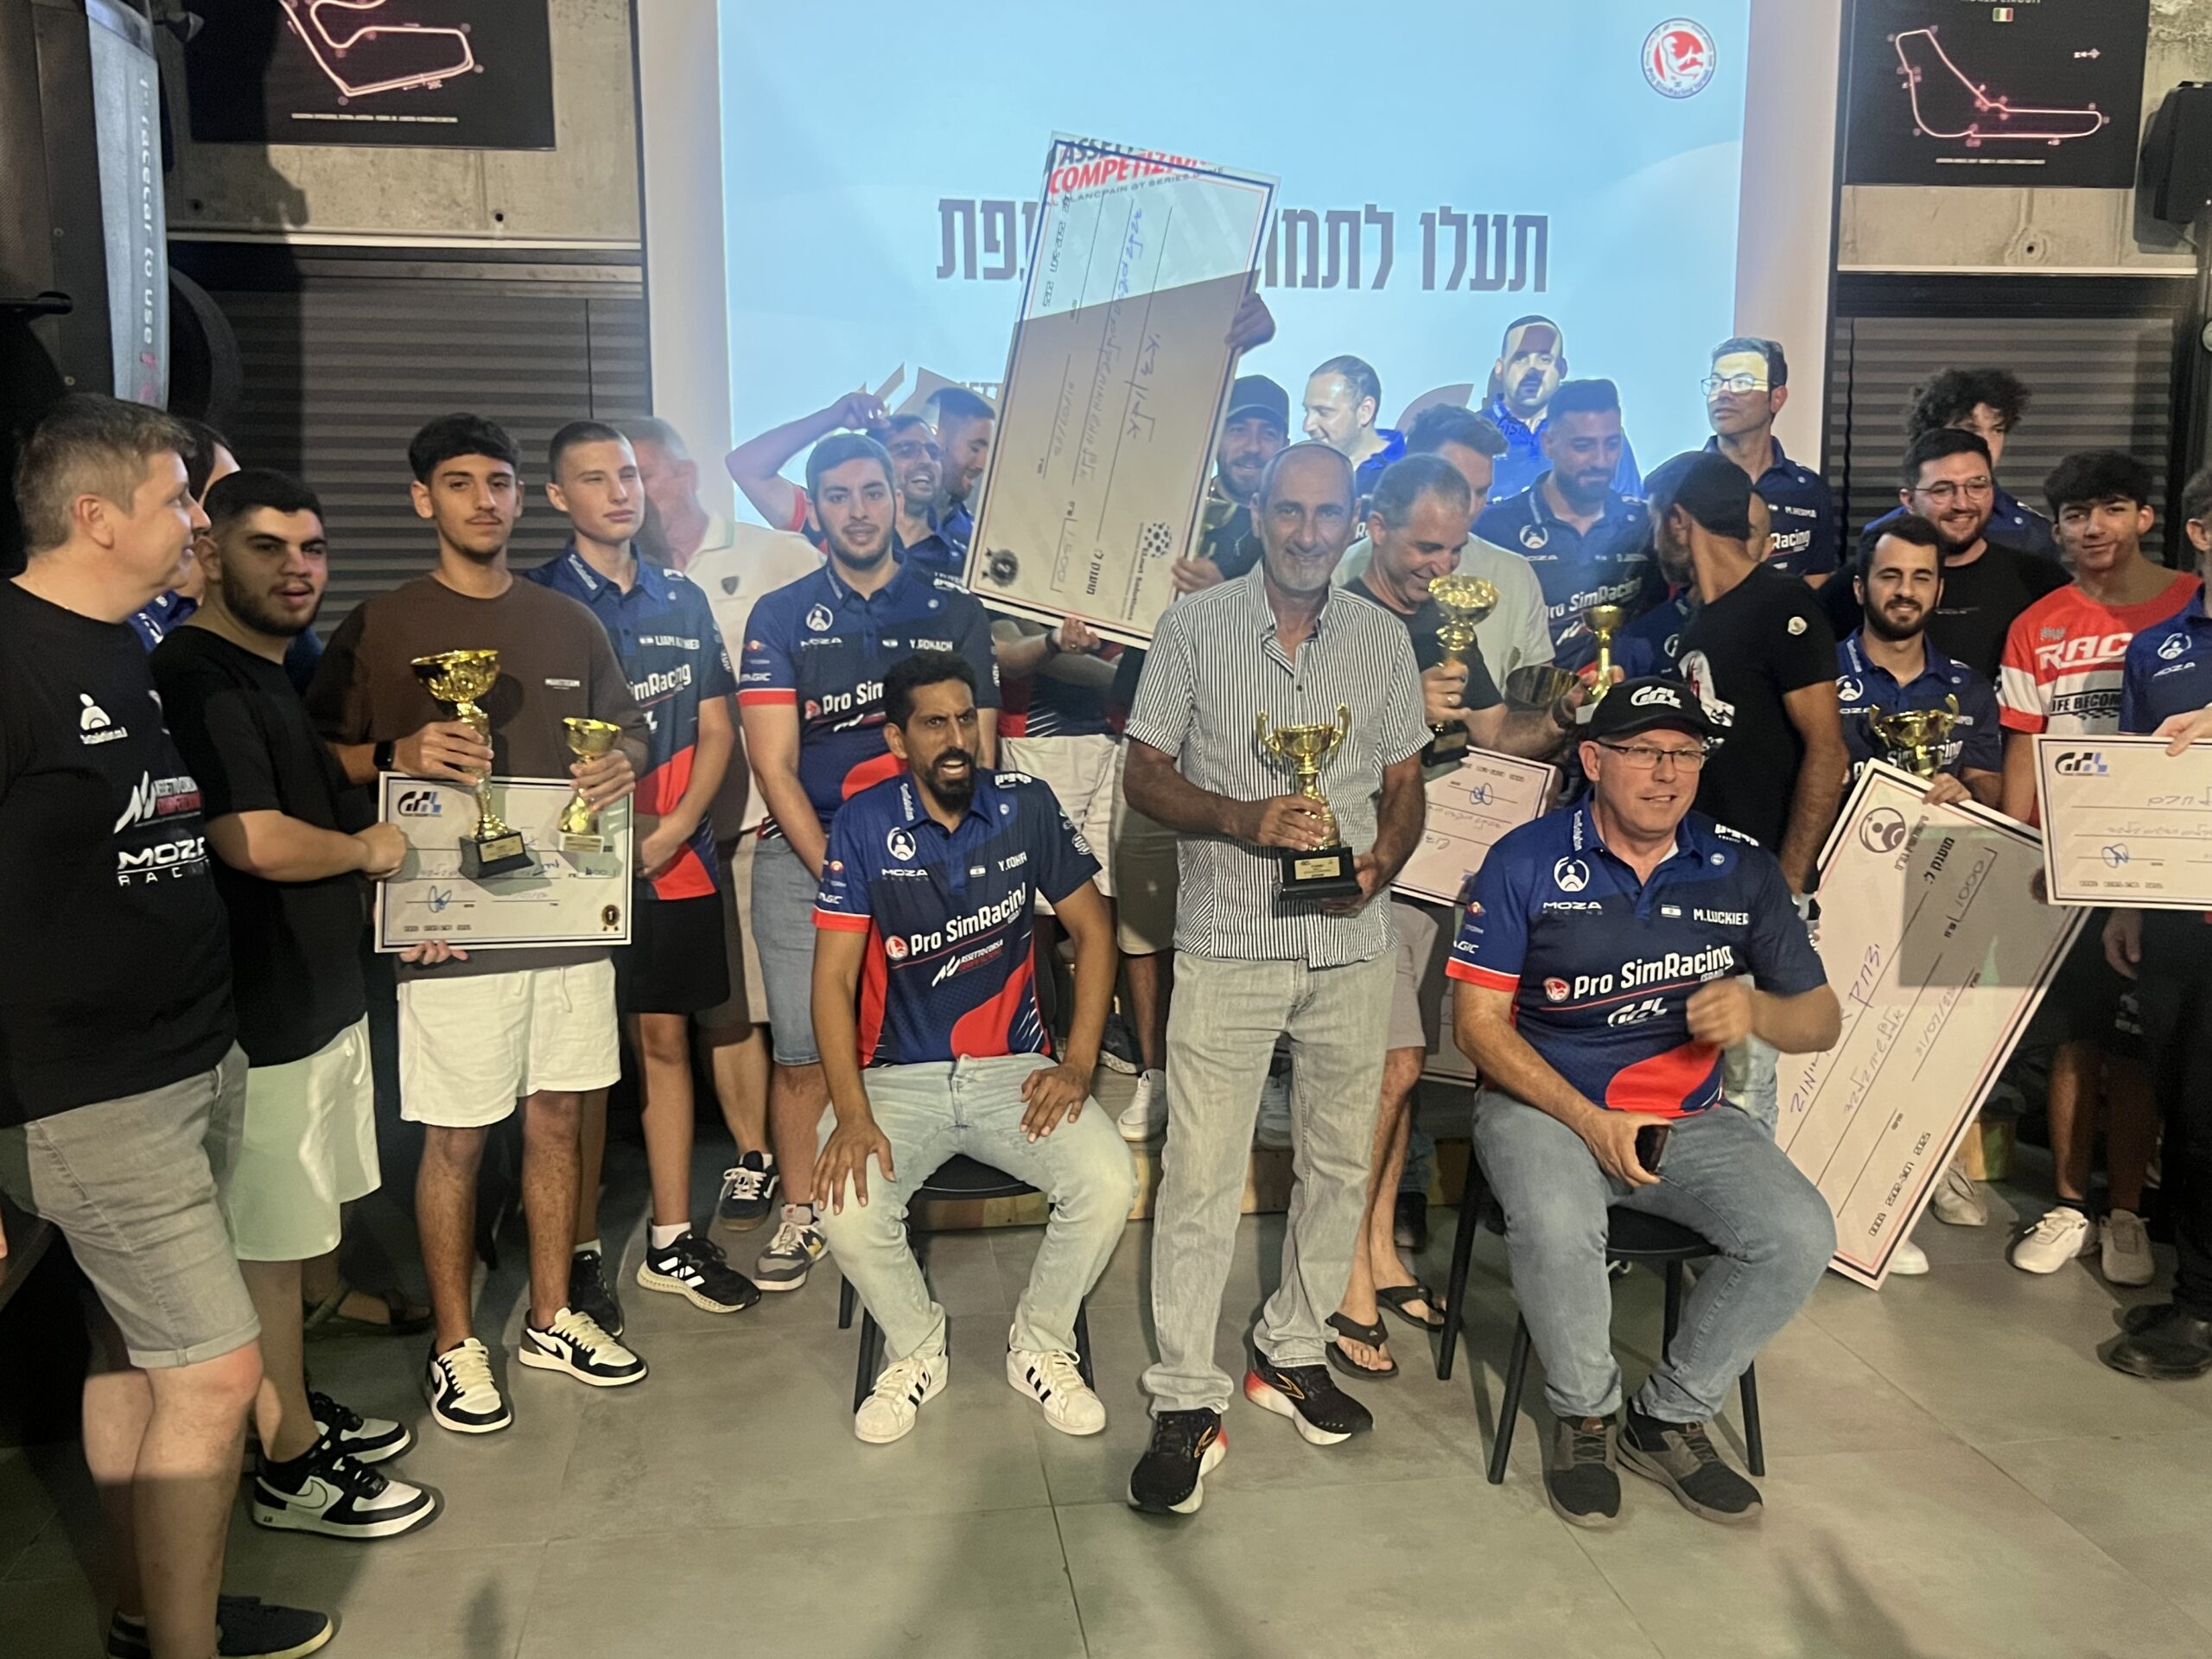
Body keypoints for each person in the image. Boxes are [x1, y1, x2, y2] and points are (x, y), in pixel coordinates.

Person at [0, 395, 333, 1659]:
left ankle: (152, 1610)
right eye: (177, 499)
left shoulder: (121, 647)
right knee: (214, 1374)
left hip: (189, 1057)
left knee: (138, 1354)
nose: (199, 520)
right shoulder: (14, 660)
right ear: (97, 517)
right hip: (90, 1092)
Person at [308, 413, 652, 1433]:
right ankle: (456, 1343)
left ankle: (549, 1316)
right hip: (447, 930)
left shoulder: (569, 621)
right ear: (424, 499)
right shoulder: (380, 625)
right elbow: (313, 761)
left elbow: (628, 730)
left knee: (558, 1122)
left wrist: (621, 762)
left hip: (567, 919)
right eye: (459, 483)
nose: (483, 501)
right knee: (455, 1140)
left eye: (497, 482)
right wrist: (396, 755)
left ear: (519, 494)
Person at [1452, 677, 1841, 1529]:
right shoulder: (1524, 859)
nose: (1667, 773)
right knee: (1559, 1223)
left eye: (1685, 753)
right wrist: (1590, 1122)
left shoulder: (1739, 867)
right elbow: (1476, 1028)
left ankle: (1665, 1418)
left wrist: (1758, 1014)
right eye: (1643, 752)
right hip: (1543, 1105)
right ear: (1594, 760)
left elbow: (1820, 1020)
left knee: (1798, 1234)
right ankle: (1585, 1416)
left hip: (1688, 1119)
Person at [1121, 442, 1429, 1516]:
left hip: (1351, 942)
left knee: (1339, 1162)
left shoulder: (1382, 638)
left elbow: (1405, 783)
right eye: (1289, 511)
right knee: (1200, 1176)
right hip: (1229, 937)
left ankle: (1290, 1352)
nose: (1307, 532)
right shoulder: (1194, 627)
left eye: (1326, 514)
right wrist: (1240, 818)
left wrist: (1382, 864)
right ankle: (1184, 1398)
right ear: (1257, 513)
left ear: (1354, 521)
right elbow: (1144, 774)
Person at [149, 467, 435, 1541]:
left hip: (312, 1001)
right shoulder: (197, 675)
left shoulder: (266, 667)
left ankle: (291, 1408)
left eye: (311, 548)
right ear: (209, 551)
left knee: (298, 1232)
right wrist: (369, 853)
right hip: (260, 1015)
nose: (297, 568)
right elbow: (252, 839)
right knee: (268, 1249)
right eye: (267, 547)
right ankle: (287, 1466)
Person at [811, 651, 1135, 1441]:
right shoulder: (863, 822)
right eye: (934, 724)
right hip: (898, 1077)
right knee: (844, 1208)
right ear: (898, 739)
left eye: (965, 719)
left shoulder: (1026, 803)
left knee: (1107, 1182)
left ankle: (1041, 1344)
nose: (956, 738)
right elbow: (831, 981)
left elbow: (1096, 933)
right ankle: (918, 1347)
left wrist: (1078, 1065)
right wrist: (851, 1112)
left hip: (1015, 1072)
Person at [1325, 454, 1580, 1376]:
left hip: (1436, 869)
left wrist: (1567, 718)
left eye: (1453, 548)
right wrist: (1401, 703)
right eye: (1425, 547)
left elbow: (1491, 734)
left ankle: (1379, 1252)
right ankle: (1344, 1275)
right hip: (1358, 871)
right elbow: (1303, 753)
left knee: (1402, 1072)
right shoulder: (1330, 616)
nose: (1440, 566)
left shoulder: (1442, 620)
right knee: (1384, 1072)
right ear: (1374, 527)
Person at [739, 432, 1001, 1292]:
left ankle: (890, 1197)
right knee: (800, 1051)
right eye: (838, 495)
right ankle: (802, 1211)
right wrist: (843, 875)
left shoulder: (953, 609)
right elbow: (774, 766)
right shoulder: (779, 615)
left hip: (937, 860)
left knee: (924, 1045)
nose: (858, 511)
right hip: (806, 859)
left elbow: (977, 753)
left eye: (872, 492)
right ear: (816, 509)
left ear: (897, 498)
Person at [527, 423, 761, 1323]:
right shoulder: (537, 600)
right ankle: (579, 1250)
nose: (619, 492)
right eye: (594, 478)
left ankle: (671, 1238)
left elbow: (717, 728)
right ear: (559, 496)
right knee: (581, 1064)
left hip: (674, 857)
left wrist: (678, 829)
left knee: (667, 1042)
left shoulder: (682, 596)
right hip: (572, 867)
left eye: (628, 474)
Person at [1998, 451, 2197, 1287]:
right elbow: (2022, 746)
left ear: (2146, 517)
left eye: (2112, 508)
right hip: (2070, 864)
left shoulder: (2192, 605)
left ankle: (2129, 1212)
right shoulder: (2036, 624)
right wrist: (2021, 853)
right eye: (2076, 514)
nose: (2093, 528)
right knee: (2075, 1037)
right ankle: (2072, 1204)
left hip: (2172, 867)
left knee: (2145, 1048)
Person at [632, 416, 822, 1233]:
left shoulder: (775, 553)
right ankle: (753, 1155)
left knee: (802, 1008)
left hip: (769, 822)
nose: (633, 492)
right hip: (670, 835)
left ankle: (818, 1155)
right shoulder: (625, 581)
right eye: (617, 478)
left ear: (684, 474)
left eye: (643, 473)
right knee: (725, 1007)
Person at [1109, 378, 1292, 1143]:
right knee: (1143, 922)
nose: (1252, 445)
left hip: (1251, 756)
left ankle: (1266, 1075)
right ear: (1216, 438)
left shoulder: (1294, 535)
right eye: (1239, 429)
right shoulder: (1172, 512)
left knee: (1258, 915)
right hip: (1153, 746)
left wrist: (1229, 599)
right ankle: (1154, 1073)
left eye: (1266, 432)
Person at [1663, 453, 1848, 1140]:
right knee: (1697, 1073)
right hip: (1692, 882)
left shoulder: (1783, 606)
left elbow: (1828, 750)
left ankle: (1751, 1209)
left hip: (1758, 885)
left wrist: (1789, 883)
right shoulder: (1698, 623)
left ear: (1678, 521)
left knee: (1744, 1085)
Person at [2102, 465, 2212, 1379]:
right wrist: (2126, 900)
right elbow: (2132, 786)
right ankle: (2196, 1290)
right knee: (2183, 1102)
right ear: (2201, 532)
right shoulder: (2156, 649)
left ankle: (2202, 1307)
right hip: (2179, 917)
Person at [1336, 404, 1554, 683]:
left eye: (1481, 492)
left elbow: (1532, 692)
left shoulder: (1515, 575)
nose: (1469, 507)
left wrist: (1562, 704)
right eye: (1454, 488)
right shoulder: (1339, 576)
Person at [1824, 430, 2069, 663]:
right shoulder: (1853, 589)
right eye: (1942, 490)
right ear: (1909, 500)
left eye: (1977, 486)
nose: (1962, 504)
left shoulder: (2041, 583)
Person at [1473, 379, 1652, 668]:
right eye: (1583, 446)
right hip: (1526, 693)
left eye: (1611, 444)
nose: (1600, 461)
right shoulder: (1495, 528)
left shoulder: (1647, 525)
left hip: (1628, 692)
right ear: (1548, 444)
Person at [1836, 515, 2004, 807]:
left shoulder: (1971, 689)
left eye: (1921, 578)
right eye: (1890, 576)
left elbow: (1987, 780)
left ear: (1938, 591)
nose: (1906, 591)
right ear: (1860, 589)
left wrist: (1967, 792)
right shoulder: (1817, 678)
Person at [723, 391, 968, 575]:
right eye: (907, 450)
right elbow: (746, 466)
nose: (925, 460)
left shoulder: (964, 552)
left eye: (933, 453)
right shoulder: (836, 524)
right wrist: (833, 417)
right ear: (875, 462)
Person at [1859, 366, 2058, 565]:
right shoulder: (1882, 535)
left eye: (1997, 430)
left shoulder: (2033, 533)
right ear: (1933, 434)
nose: (1987, 443)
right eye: (1970, 429)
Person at [1703, 338, 1837, 584]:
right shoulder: (1682, 483)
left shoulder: (1809, 489)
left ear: (1777, 398)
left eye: (1741, 383)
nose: (1723, 393)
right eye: (1715, 383)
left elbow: (1817, 583)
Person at [1483, 315, 1642, 500]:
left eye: (1544, 359)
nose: (1532, 370)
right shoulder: (1469, 436)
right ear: (1500, 368)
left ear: (1562, 368)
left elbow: (1631, 507)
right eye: (1521, 358)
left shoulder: (1602, 434)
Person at [1301, 355, 1402, 501]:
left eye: (1323, 412)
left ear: (1365, 411)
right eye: (1307, 412)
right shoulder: (1300, 470)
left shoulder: (1410, 471)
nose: (1307, 426)